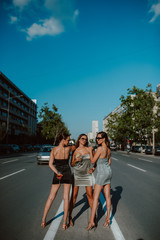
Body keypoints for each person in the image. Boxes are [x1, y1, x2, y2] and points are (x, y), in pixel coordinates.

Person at [41, 133, 75, 230]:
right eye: (68, 140)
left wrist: (57, 173)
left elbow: (50, 164)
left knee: (51, 197)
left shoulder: (54, 150)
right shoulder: (68, 149)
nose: (68, 142)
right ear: (63, 140)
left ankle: (43, 219)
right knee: (66, 198)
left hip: (58, 174)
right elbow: (76, 146)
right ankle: (64, 222)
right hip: (67, 173)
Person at [69, 134, 96, 226]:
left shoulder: (89, 149)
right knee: (74, 196)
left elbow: (95, 161)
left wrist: (93, 169)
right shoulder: (75, 150)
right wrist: (76, 160)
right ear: (79, 139)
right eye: (82, 139)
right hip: (77, 174)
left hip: (87, 175)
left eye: (86, 139)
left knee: (89, 195)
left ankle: (93, 218)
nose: (84, 140)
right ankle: (69, 217)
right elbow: (72, 164)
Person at [87, 131, 112, 230]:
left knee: (95, 198)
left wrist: (90, 151)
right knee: (108, 197)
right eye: (97, 138)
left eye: (99, 138)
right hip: (109, 172)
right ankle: (108, 219)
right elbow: (109, 163)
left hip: (101, 174)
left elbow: (93, 161)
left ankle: (91, 221)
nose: (97, 140)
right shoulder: (109, 149)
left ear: (104, 139)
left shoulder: (100, 148)